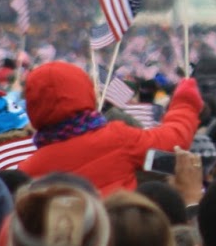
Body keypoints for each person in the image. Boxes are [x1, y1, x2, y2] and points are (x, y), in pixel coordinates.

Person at [17, 62, 204, 194]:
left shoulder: (26, 171)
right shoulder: (117, 139)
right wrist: (185, 103)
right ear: (85, 92)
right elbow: (173, 141)